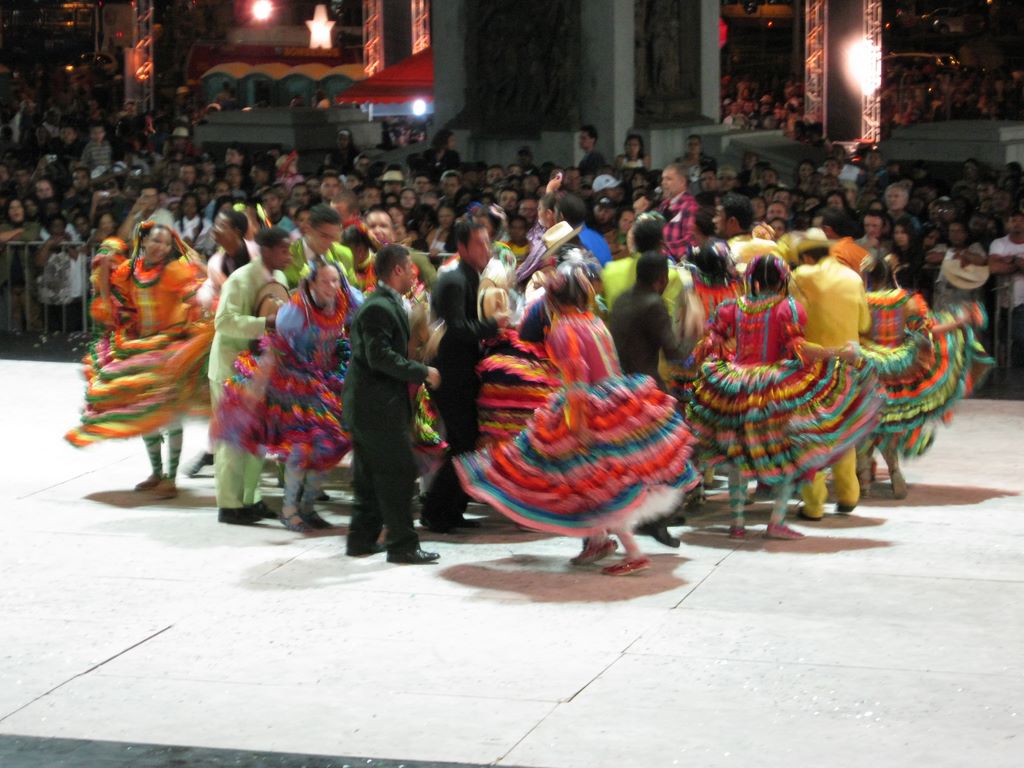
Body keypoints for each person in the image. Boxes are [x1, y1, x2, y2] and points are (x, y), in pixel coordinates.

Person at [456, 255, 699, 575]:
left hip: (587, 406)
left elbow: (576, 379)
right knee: (588, 478)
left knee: (597, 480)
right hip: (620, 399)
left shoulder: (563, 330)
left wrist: (579, 422)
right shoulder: (594, 321)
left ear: (553, 300)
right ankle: (599, 541)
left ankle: (634, 552)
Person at [687, 254, 880, 540]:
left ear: (752, 280)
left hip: (734, 386)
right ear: (781, 281)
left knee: (739, 456)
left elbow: (712, 340)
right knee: (789, 455)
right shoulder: (786, 308)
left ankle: (738, 523)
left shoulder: (733, 308)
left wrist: (707, 361)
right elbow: (799, 349)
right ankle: (775, 522)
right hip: (773, 388)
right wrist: (837, 353)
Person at [65, 223, 208, 500]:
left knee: (170, 413)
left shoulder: (175, 271)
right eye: (156, 241)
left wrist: (200, 288)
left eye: (166, 244)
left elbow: (194, 297)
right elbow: (110, 282)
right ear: (143, 241)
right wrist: (106, 261)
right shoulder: (132, 270)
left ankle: (171, 477)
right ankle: (156, 472)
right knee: (145, 413)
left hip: (169, 347)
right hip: (140, 346)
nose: (161, 248)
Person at [217, 255, 356, 531]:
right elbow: (276, 349)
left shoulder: (345, 302)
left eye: (335, 280)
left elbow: (361, 313)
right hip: (292, 383)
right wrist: (256, 389)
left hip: (325, 380)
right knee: (300, 448)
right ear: (311, 283)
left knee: (328, 445)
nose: (331, 286)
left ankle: (307, 507)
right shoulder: (294, 313)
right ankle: (289, 509)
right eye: (325, 280)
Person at [855, 250, 992, 498]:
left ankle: (863, 481)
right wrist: (958, 323)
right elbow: (929, 330)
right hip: (900, 369)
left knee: (867, 423)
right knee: (890, 424)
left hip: (868, 368)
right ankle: (895, 471)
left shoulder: (860, 301)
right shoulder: (906, 300)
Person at [344, 244, 441, 564]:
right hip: (376, 406)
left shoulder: (386, 303)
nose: (415, 273)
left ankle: (361, 539)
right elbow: (379, 357)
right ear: (398, 269)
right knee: (398, 473)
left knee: (370, 475)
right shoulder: (378, 307)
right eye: (411, 267)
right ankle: (402, 545)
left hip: (372, 405)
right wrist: (422, 371)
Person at [421, 220, 508, 533]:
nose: (486, 248)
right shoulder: (455, 280)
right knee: (463, 444)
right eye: (479, 243)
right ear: (462, 247)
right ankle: (435, 510)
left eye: (488, 242)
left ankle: (451, 509)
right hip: (451, 373)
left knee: (466, 443)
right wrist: (493, 326)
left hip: (464, 372)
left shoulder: (472, 278)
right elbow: (456, 329)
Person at [208, 226, 292, 525]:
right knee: (231, 440)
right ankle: (229, 505)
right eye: (284, 250)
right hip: (230, 367)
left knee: (256, 439)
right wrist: (265, 323)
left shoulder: (280, 279)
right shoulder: (240, 279)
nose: (289, 256)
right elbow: (224, 322)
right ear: (266, 251)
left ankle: (250, 499)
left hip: (260, 370)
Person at [789, 236, 875, 519]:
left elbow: (793, 319)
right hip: (850, 365)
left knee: (810, 435)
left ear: (806, 258)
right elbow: (864, 323)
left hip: (815, 366)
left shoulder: (801, 275)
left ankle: (814, 506)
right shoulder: (853, 278)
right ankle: (849, 495)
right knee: (843, 429)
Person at [658, 162, 698, 260]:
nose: (663, 183)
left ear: (682, 182)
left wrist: (662, 249)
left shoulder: (690, 206)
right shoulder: (663, 205)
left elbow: (690, 241)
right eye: (663, 179)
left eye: (668, 179)